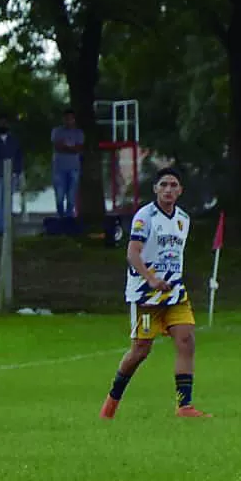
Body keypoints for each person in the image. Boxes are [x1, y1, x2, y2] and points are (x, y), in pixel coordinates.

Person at [101, 167, 211, 419]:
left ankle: (184, 406)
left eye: (174, 185)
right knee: (140, 350)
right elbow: (132, 253)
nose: (169, 189)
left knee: (186, 340)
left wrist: (170, 280)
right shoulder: (145, 217)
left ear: (180, 190)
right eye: (164, 185)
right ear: (156, 189)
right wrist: (150, 279)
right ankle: (110, 404)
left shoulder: (183, 219)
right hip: (145, 297)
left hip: (174, 294)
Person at [51, 108, 85, 219]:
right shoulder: (57, 131)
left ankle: (69, 218)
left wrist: (66, 146)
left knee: (71, 196)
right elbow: (57, 147)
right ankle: (61, 216)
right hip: (59, 169)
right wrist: (71, 147)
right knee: (59, 196)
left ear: (74, 120)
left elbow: (78, 148)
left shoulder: (79, 133)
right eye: (66, 119)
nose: (68, 121)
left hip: (74, 168)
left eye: (71, 119)